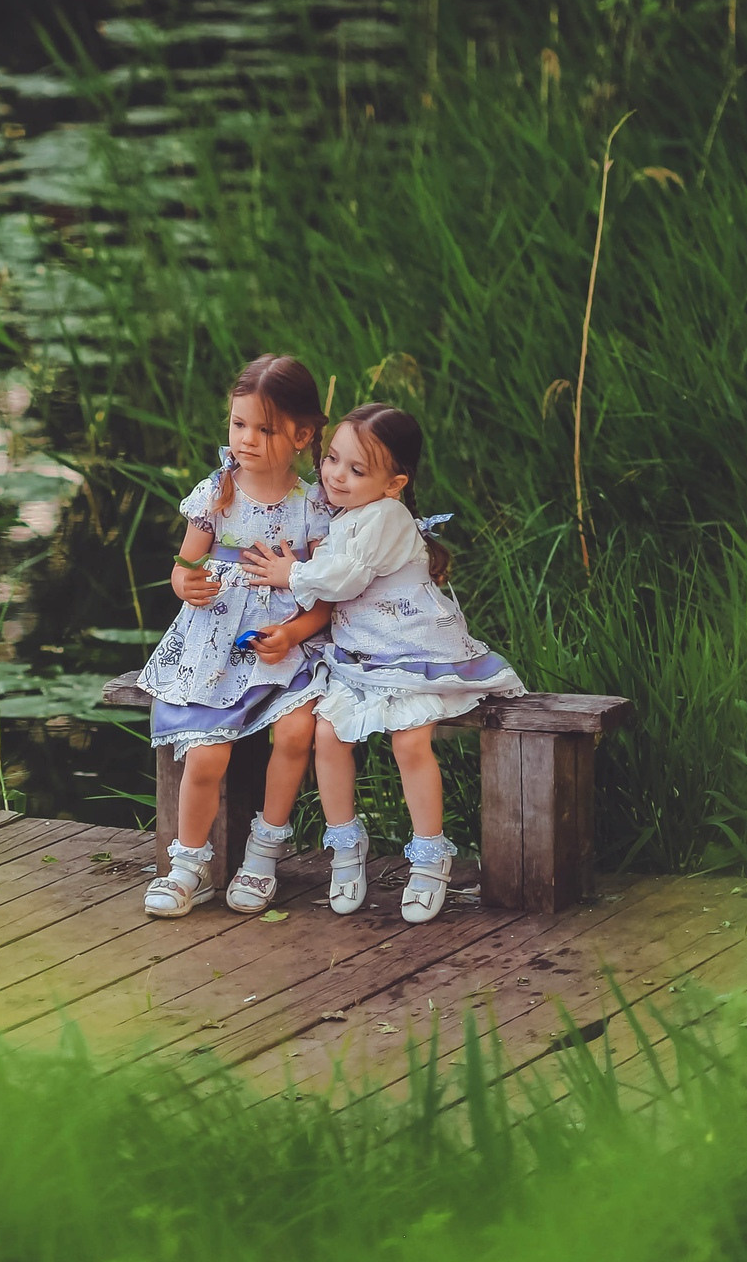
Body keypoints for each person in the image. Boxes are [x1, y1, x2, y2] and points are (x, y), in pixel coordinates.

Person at [245, 403, 525, 924]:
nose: (336, 476)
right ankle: (346, 848)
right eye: (331, 460)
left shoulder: (387, 517)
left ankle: (429, 856)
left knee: (410, 739)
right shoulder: (348, 514)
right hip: (362, 657)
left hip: (412, 653)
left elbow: (342, 581)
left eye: (356, 470)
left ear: (395, 483)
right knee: (329, 735)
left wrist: (291, 574)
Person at [136, 355, 336, 918]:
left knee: (297, 731)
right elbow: (184, 563)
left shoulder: (313, 509)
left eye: (264, 428)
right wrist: (185, 582)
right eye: (238, 424)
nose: (246, 439)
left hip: (283, 648)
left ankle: (264, 853)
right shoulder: (217, 495)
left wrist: (293, 632)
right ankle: (188, 865)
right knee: (205, 755)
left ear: (302, 434)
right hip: (215, 646)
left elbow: (325, 600)